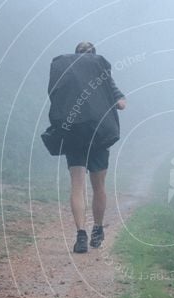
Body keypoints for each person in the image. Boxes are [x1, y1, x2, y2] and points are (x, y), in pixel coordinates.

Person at [47, 41, 127, 253]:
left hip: (74, 134)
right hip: (99, 135)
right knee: (98, 185)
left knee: (77, 184)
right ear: (94, 56)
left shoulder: (66, 75)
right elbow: (121, 104)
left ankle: (80, 234)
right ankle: (98, 230)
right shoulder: (103, 77)